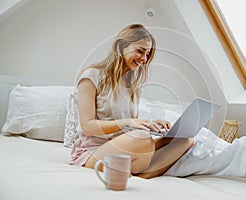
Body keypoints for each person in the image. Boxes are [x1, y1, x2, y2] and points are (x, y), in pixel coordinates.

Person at [70, 24, 194, 178]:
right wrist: (127, 122)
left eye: (147, 54)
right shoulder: (91, 77)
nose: (144, 59)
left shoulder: (133, 84)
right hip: (94, 152)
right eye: (140, 51)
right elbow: (87, 126)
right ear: (122, 47)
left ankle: (141, 177)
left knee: (185, 141)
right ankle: (138, 169)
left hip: (126, 146)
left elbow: (130, 127)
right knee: (142, 139)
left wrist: (150, 124)